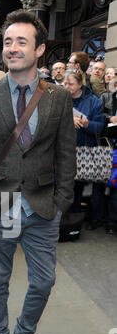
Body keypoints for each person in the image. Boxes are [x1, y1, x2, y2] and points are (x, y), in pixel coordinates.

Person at [0, 10, 76, 334]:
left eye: (21, 42)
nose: (12, 48)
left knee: (44, 279)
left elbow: (66, 153)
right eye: (8, 42)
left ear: (40, 49)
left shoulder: (58, 98)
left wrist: (61, 202)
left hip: (43, 207)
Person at [63, 70, 105, 228]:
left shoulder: (94, 102)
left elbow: (100, 126)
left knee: (79, 186)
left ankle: (78, 220)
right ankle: (66, 219)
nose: (67, 87)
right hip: (63, 150)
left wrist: (87, 124)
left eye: (71, 84)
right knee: (66, 187)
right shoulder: (60, 98)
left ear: (80, 84)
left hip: (85, 150)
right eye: (65, 83)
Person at [100, 75, 117, 235]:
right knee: (114, 189)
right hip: (113, 145)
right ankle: (111, 221)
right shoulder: (108, 96)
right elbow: (101, 115)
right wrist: (110, 118)